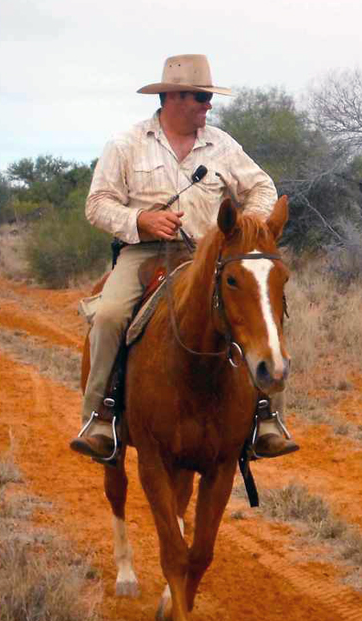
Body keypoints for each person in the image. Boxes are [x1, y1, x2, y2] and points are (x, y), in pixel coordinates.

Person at [71, 54, 298, 462]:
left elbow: (263, 187)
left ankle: (268, 418)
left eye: (209, 97)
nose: (207, 105)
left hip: (208, 258)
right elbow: (97, 205)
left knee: (263, 310)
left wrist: (247, 228)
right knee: (108, 317)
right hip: (143, 255)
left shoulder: (222, 145)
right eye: (200, 96)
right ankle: (99, 418)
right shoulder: (126, 144)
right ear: (173, 97)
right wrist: (141, 220)